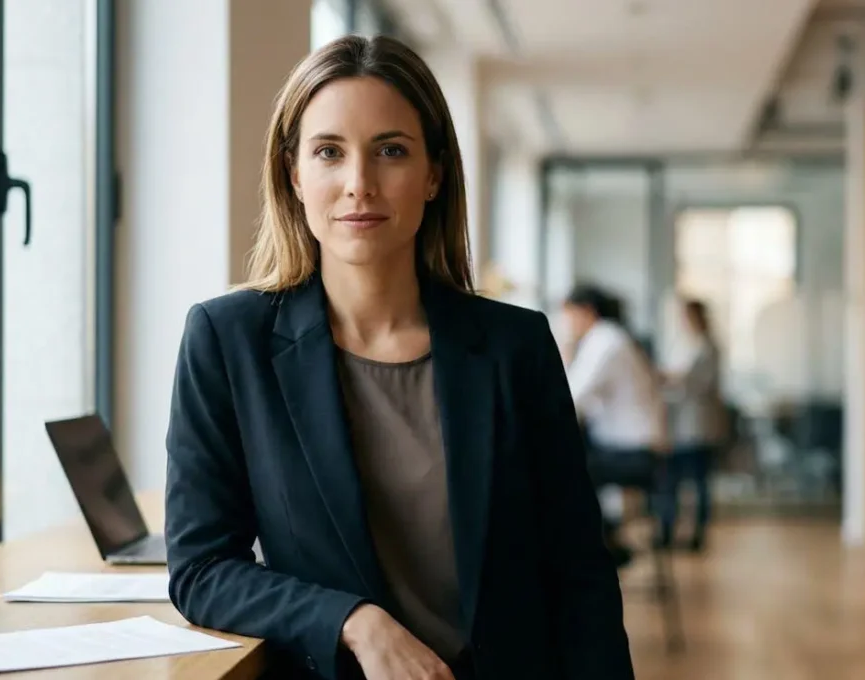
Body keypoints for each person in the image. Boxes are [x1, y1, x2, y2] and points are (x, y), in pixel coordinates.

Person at [164, 36, 633, 680]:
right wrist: (351, 621)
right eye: (329, 152)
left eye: (391, 151)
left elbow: (580, 574)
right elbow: (201, 569)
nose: (359, 184)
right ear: (295, 174)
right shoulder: (226, 339)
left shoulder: (514, 346)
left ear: (434, 174)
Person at [560, 284, 668, 565]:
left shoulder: (604, 341)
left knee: (562, 472)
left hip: (636, 453)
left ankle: (600, 548)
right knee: (568, 467)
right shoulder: (610, 338)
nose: (566, 324)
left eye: (569, 315)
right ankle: (605, 542)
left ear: (586, 312)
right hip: (632, 447)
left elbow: (571, 399)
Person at [658, 298, 727, 552]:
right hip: (680, 425)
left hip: (698, 425)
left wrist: (670, 377)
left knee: (698, 482)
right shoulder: (684, 344)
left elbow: (694, 383)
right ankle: (668, 530)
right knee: (673, 481)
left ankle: (698, 533)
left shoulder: (708, 347)